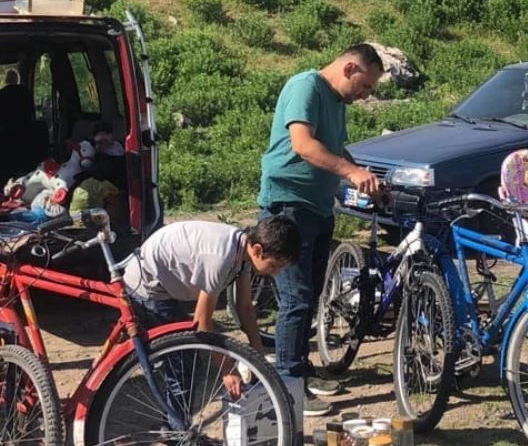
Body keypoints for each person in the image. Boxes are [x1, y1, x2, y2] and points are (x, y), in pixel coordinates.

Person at [258, 43, 384, 416]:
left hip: (317, 208)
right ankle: (286, 386)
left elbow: (335, 149)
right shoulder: (305, 87)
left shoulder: (336, 102)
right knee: (295, 299)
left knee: (310, 296)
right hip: (288, 205)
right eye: (366, 86)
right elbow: (303, 145)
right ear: (349, 68)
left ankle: (302, 368)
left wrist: (365, 176)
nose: (365, 96)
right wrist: (350, 173)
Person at [123, 215, 301, 398]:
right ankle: (172, 425)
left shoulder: (243, 251)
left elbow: (246, 308)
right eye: (274, 266)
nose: (276, 273)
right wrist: (227, 368)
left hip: (166, 282)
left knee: (186, 358)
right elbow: (201, 322)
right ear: (257, 250)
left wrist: (259, 358)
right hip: (146, 284)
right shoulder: (221, 258)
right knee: (184, 362)